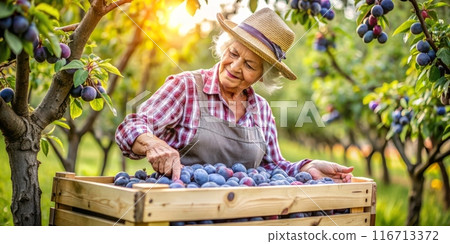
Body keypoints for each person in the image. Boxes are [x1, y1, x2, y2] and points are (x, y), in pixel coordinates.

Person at [115, 8, 353, 182]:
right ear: (224, 47)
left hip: (241, 216)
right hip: (180, 211)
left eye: (250, 65)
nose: (235, 66)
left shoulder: (261, 109)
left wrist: (309, 167)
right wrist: (153, 144)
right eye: (233, 53)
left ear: (262, 76)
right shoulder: (186, 87)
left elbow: (273, 166)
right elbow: (130, 127)